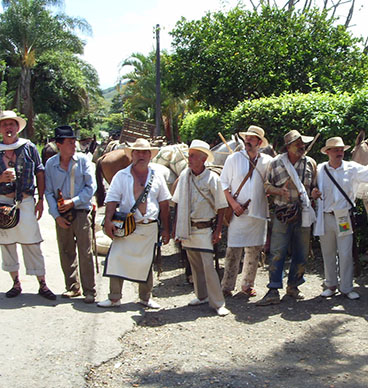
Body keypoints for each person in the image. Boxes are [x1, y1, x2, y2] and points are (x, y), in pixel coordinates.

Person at [97, 138, 171, 309]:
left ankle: (145, 297)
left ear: (150, 155)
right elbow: (112, 200)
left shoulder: (157, 175)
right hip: (128, 226)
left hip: (149, 226)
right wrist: (108, 221)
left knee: (146, 262)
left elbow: (164, 204)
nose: (141, 155)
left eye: (145, 152)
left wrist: (166, 229)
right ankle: (114, 297)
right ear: (132, 154)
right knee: (117, 258)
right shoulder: (121, 176)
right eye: (137, 152)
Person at [257, 130, 320, 306]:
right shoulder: (276, 163)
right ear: (288, 147)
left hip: (304, 213)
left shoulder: (311, 163)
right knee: (277, 252)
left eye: (303, 143)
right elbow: (266, 186)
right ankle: (273, 289)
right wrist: (279, 191)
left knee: (301, 253)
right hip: (282, 213)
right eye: (298, 144)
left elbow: (314, 187)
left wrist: (315, 193)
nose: (302, 146)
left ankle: (293, 286)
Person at [0, 110, 55, 300]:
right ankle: (15, 283)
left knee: (32, 241)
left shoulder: (28, 147)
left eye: (12, 124)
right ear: (0, 128)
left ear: (17, 127)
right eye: (5, 125)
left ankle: (42, 283)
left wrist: (40, 200)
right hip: (3, 202)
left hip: (25, 200)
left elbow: (40, 172)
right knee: (7, 243)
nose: (8, 128)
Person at [173, 139, 230, 316]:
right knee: (195, 264)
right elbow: (176, 203)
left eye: (192, 156)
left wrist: (218, 230)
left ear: (203, 159)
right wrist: (177, 228)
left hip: (205, 228)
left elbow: (221, 206)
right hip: (187, 229)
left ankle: (218, 302)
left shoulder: (212, 179)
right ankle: (201, 295)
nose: (189, 159)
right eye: (189, 156)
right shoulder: (184, 177)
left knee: (208, 267)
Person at [314, 137, 368, 300]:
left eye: (341, 150)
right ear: (327, 152)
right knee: (328, 253)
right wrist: (313, 193)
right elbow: (310, 186)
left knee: (346, 252)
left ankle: (347, 287)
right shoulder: (320, 169)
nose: (339, 152)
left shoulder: (352, 168)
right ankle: (331, 285)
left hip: (343, 218)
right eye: (335, 150)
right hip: (326, 217)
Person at [45, 125, 97, 303]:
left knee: (85, 251)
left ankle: (90, 290)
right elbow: (49, 192)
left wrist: (72, 202)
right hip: (62, 214)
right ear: (59, 144)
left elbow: (91, 187)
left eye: (74, 141)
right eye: (69, 142)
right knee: (66, 250)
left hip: (81, 211)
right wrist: (56, 215)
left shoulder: (83, 161)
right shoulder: (51, 165)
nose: (74, 144)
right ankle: (72, 287)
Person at [220, 125, 273, 298]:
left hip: (258, 212)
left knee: (254, 251)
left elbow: (271, 183)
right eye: (247, 138)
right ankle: (227, 286)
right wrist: (233, 204)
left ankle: (247, 285)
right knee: (233, 250)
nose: (248, 141)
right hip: (238, 212)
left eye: (252, 138)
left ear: (259, 142)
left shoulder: (267, 161)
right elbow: (224, 184)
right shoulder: (234, 158)